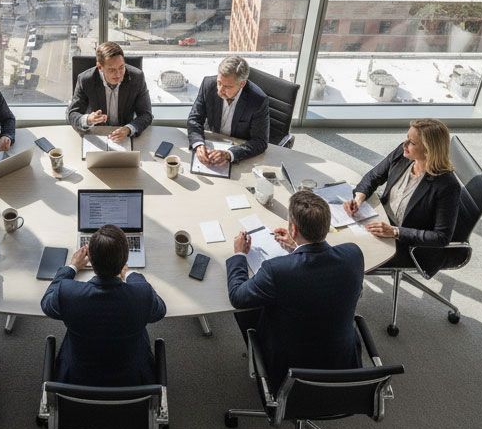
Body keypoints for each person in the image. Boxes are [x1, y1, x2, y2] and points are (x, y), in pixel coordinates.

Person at [226, 190, 364, 388]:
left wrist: (239, 255)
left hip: (290, 376)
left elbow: (237, 297)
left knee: (249, 311)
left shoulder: (276, 271)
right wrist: (297, 248)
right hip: (343, 367)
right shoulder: (353, 255)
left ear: (293, 229)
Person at [41, 224, 166, 386]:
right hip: (133, 381)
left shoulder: (68, 293)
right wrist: (130, 274)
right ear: (125, 259)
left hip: (77, 381)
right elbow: (160, 310)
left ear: (90, 260)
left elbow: (46, 303)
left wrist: (71, 267)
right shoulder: (142, 295)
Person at [344, 118, 461, 269]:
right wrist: (359, 198)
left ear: (429, 149)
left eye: (412, 142)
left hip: (408, 245)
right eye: (407, 138)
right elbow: (374, 176)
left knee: (348, 258)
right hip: (381, 222)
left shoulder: (447, 185)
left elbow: (441, 237)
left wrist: (395, 231)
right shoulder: (404, 154)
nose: (405, 145)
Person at [187, 55, 269, 166]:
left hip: (238, 146)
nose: (220, 90)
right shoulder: (208, 85)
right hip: (211, 140)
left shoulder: (258, 100)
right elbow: (194, 119)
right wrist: (198, 144)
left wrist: (230, 154)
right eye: (219, 83)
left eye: (227, 87)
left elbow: (260, 141)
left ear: (242, 84)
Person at [67, 41, 153, 141]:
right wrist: (88, 120)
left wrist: (128, 129)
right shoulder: (85, 80)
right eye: (112, 70)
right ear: (100, 67)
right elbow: (73, 114)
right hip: (96, 133)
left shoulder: (137, 77)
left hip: (124, 136)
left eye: (121, 67)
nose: (118, 74)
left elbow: (146, 115)